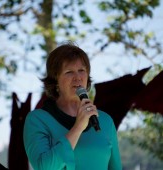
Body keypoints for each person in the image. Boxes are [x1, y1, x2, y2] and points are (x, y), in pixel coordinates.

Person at [23, 42, 122, 170]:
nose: (78, 78)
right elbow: (44, 167)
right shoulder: (37, 120)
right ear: (55, 80)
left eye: (81, 70)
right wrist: (78, 127)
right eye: (69, 72)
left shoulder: (105, 121)